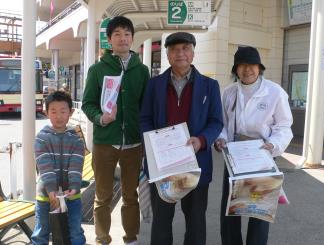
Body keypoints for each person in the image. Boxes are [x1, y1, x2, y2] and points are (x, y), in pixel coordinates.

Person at [140, 32, 224, 245]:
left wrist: (202, 140)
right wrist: (153, 143)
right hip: (162, 164)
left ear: (193, 53)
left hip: (196, 163)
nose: (180, 54)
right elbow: (144, 119)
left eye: (185, 48)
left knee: (196, 219)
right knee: (161, 219)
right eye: (175, 49)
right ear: (167, 55)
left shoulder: (210, 85)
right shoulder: (154, 84)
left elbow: (216, 121)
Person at [214, 46, 293, 245]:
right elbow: (221, 123)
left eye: (252, 65)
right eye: (241, 65)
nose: (247, 69)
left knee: (259, 210)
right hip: (234, 157)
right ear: (235, 69)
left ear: (259, 68)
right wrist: (221, 138)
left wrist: (273, 144)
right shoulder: (228, 92)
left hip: (262, 157)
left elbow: (284, 126)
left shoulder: (275, 92)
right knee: (231, 208)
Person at [81, 16, 149, 245]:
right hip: (104, 142)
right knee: (102, 196)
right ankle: (102, 239)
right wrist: (101, 118)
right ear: (109, 40)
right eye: (117, 34)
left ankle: (131, 238)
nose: (122, 38)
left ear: (132, 38)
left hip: (133, 143)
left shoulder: (142, 71)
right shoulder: (97, 69)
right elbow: (87, 103)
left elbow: (146, 106)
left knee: (131, 195)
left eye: (127, 34)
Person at [31, 91, 86, 245]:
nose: (58, 116)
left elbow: (76, 164)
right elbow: (44, 165)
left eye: (63, 111)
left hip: (71, 195)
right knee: (42, 231)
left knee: (75, 231)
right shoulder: (42, 138)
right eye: (53, 111)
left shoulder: (76, 139)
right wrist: (50, 190)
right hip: (45, 195)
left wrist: (75, 186)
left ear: (71, 112)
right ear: (46, 112)